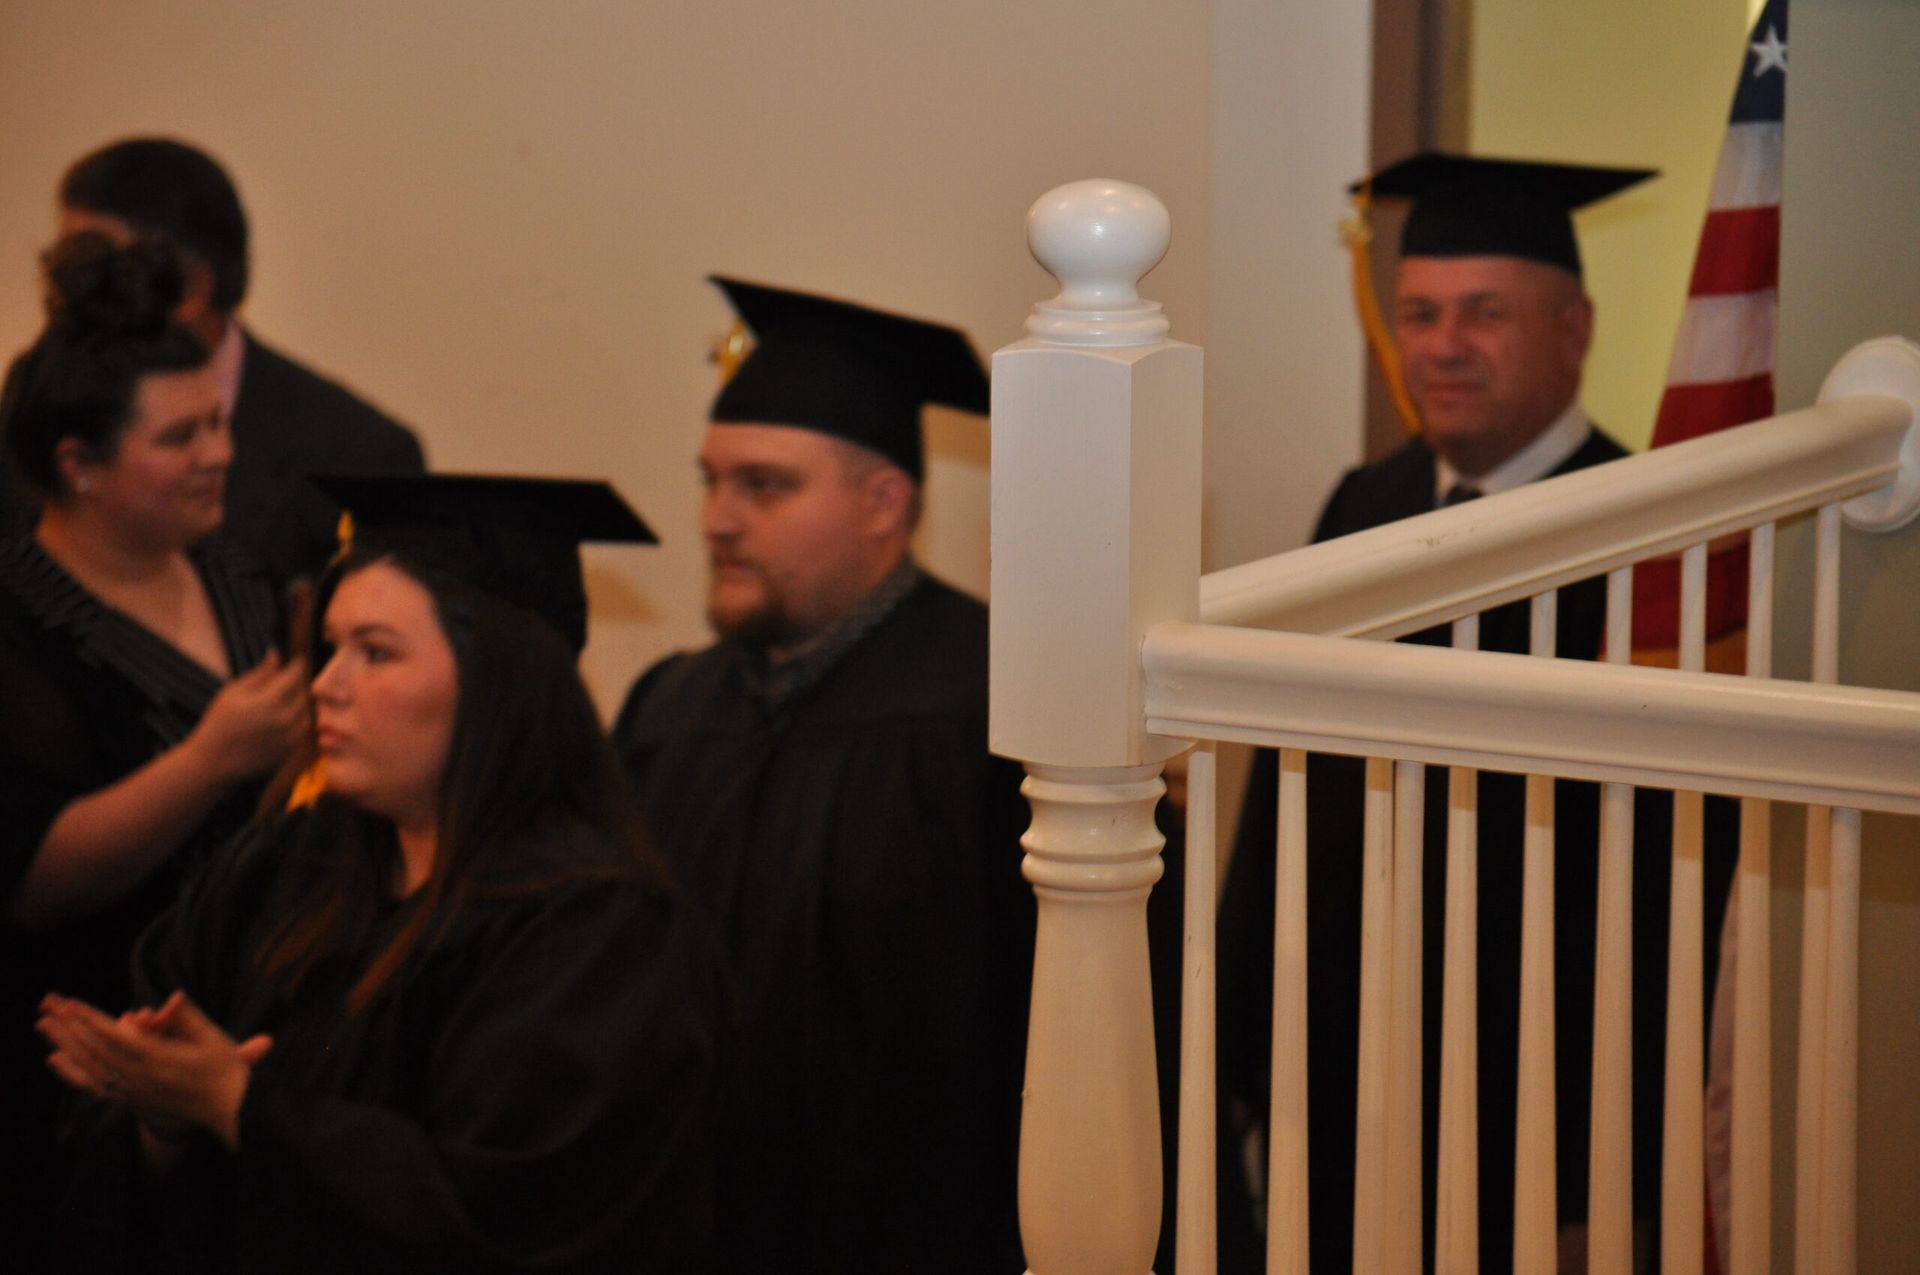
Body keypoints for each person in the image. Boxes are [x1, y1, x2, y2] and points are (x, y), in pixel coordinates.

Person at [1216, 154, 1718, 1272]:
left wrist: (1618, 1170)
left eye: (1485, 314)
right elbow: (1292, 791)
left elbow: (1662, 891)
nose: (1442, 347)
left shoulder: (1646, 538)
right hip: (1341, 1090)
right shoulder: (1365, 503)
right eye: (1420, 313)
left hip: (1536, 1117)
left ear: (1575, 326)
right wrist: (1235, 1055)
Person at [39, 473, 718, 1273]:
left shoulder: (595, 929)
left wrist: (239, 1104)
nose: (325, 683)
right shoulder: (283, 866)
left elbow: (500, 1219)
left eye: (376, 653)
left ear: (495, 684)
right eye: (331, 648)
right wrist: (158, 1114)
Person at [613, 277, 1033, 1273]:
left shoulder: (1004, 707)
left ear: (885, 503)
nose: (716, 519)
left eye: (764, 485)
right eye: (711, 481)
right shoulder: (670, 710)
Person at [0, 233, 308, 1267]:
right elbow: (33, 878)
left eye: (219, 423)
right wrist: (213, 760)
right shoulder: (18, 625)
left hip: (258, 1044)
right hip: (77, 1077)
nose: (218, 454)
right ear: (77, 464)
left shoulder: (243, 580)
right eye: (180, 438)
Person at [28, 136, 426, 587]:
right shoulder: (39, 397)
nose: (70, 292)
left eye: (97, 267)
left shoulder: (360, 452)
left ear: (195, 287)